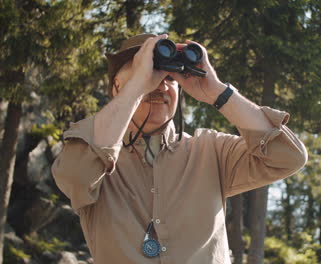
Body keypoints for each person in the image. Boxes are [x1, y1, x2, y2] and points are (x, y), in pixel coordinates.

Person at [52, 33, 307, 264]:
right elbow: (74, 177)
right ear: (117, 87)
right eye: (149, 73)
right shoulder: (93, 161)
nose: (160, 84)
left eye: (169, 77)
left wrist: (216, 90)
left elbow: (288, 157)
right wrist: (137, 88)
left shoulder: (210, 151)